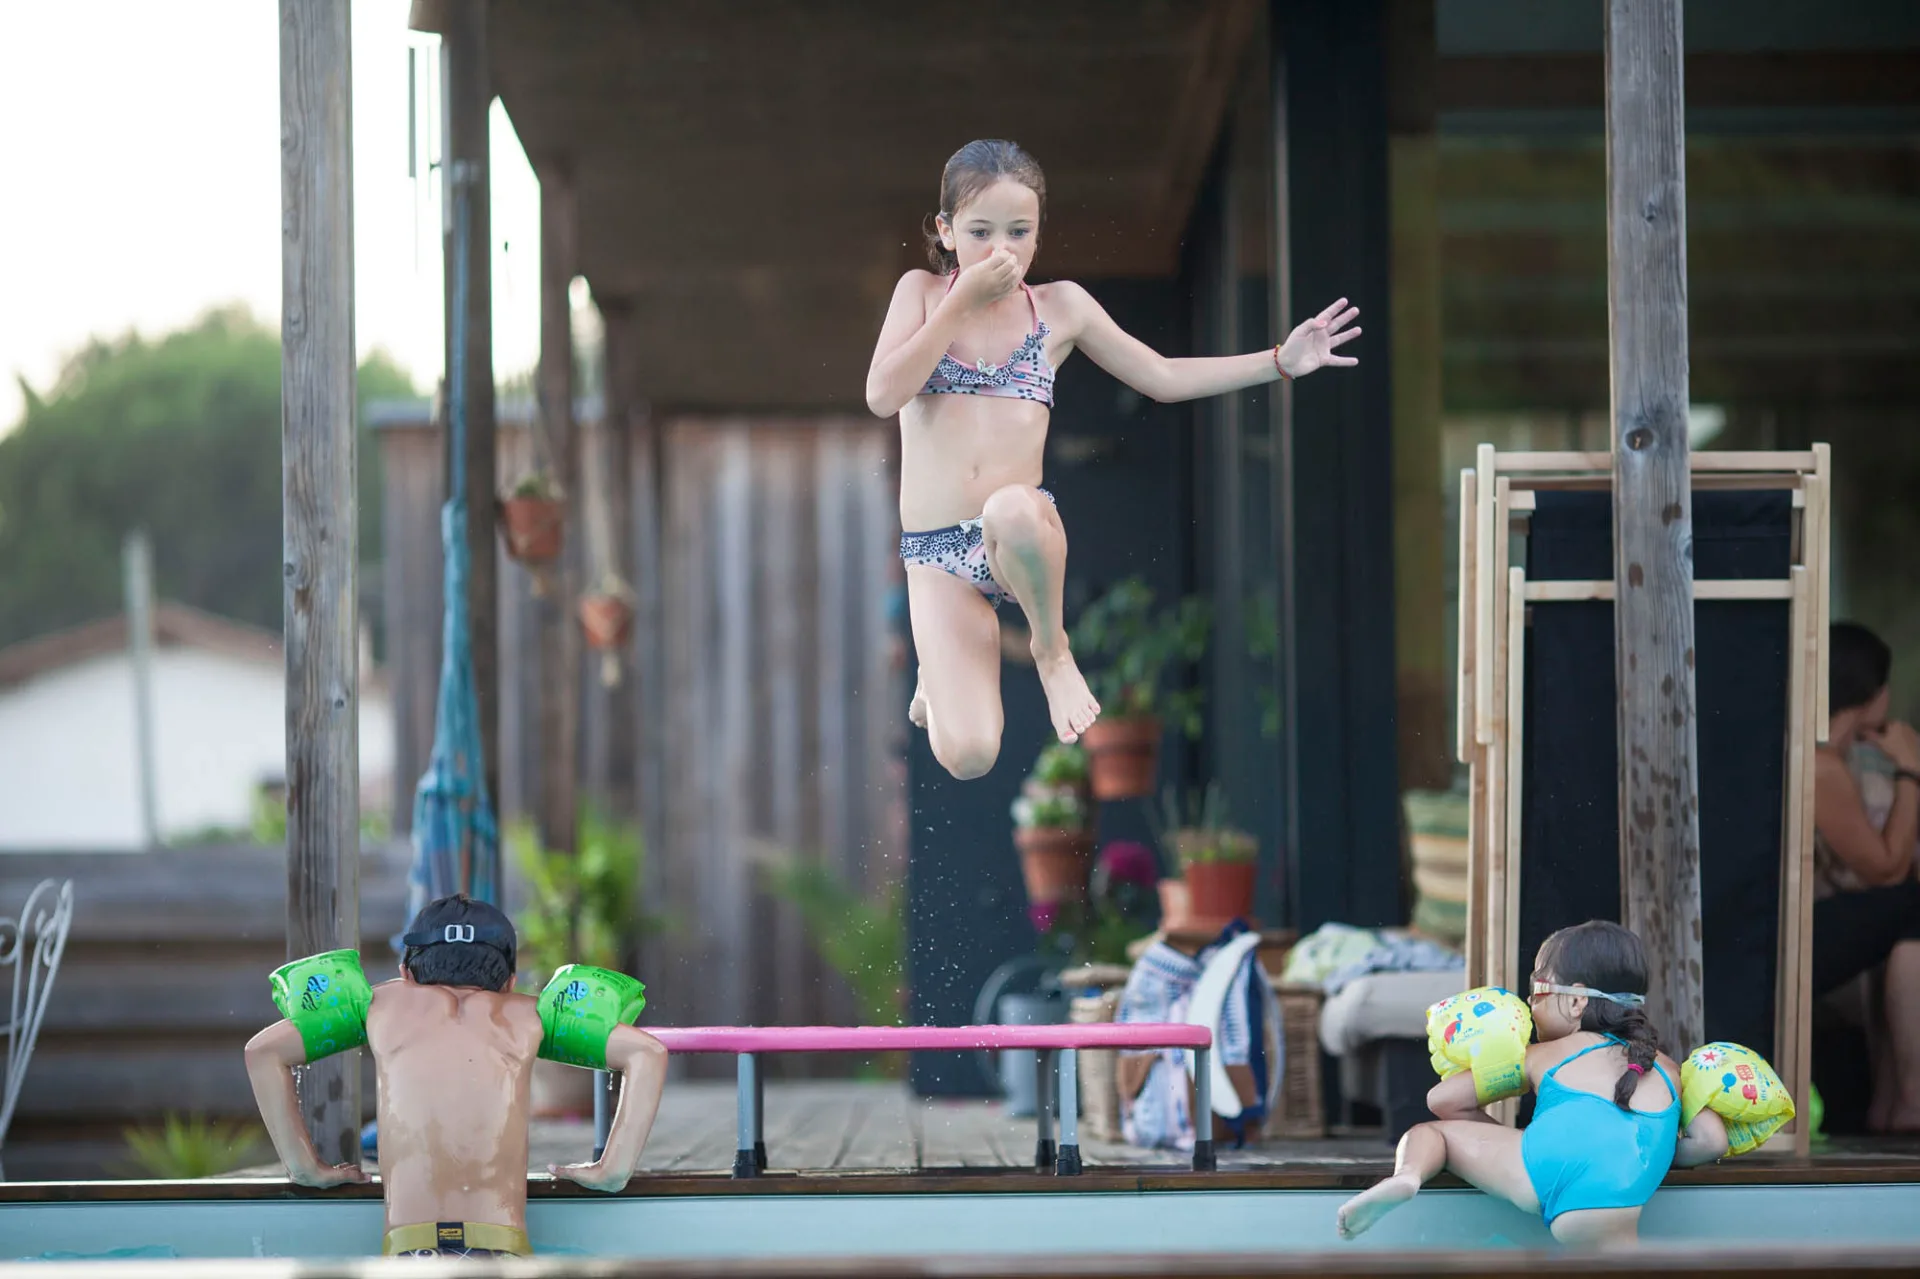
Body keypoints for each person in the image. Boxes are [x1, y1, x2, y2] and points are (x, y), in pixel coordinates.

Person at [866, 139, 1360, 779]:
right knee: (970, 757)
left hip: (1017, 538)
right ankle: (939, 668)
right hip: (936, 554)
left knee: (1011, 507)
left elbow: (1160, 375)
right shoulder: (924, 293)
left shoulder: (1060, 307)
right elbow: (883, 394)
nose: (1000, 249)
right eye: (980, 232)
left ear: (1040, 234)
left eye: (1019, 231)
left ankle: (1052, 651)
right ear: (946, 230)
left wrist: (1278, 363)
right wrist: (960, 301)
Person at [244, 895, 668, 1259]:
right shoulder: (527, 1015)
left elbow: (262, 1052)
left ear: (407, 972)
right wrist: (611, 1170)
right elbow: (647, 1052)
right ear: (509, 980)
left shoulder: (380, 1006)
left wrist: (306, 1168)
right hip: (501, 1248)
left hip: (412, 1251)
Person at [1336, 921, 1732, 1248]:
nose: (1529, 1003)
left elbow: (1443, 1101)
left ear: (1577, 1001)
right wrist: (1654, 1151)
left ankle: (1405, 1178)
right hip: (1626, 1192)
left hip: (1543, 1171)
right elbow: (1713, 1142)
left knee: (1430, 1133)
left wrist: (1520, 1144)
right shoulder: (1669, 1068)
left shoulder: (1543, 1054)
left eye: (1538, 990)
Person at [1812, 620, 1920, 1132]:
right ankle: (1910, 1097)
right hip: (1800, 937)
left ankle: (1892, 1100)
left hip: (1824, 928)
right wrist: (1911, 771)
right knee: (1911, 907)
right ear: (1872, 691)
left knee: (1903, 930)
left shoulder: (1837, 760)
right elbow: (1886, 870)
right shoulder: (1821, 763)